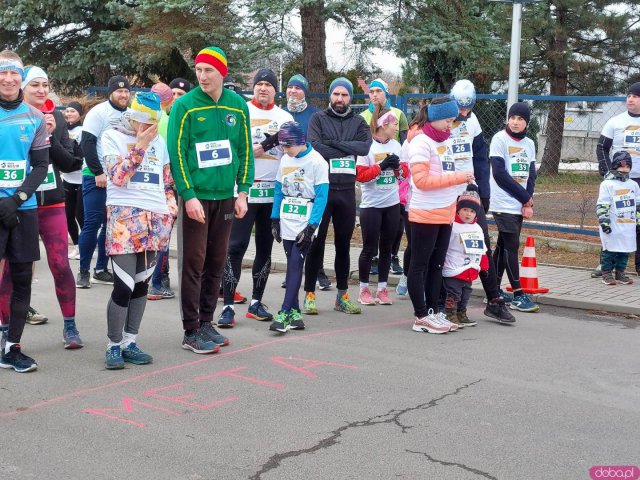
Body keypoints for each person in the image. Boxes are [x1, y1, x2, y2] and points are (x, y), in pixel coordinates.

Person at [167, 46, 253, 354]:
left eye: (209, 71)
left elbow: (244, 151)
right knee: (194, 262)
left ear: (222, 73)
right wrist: (187, 195)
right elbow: (177, 153)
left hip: (226, 198)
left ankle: (206, 322)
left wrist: (243, 191)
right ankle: (190, 330)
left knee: (217, 260)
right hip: (196, 197)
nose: (203, 77)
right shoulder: (185, 106)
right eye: (199, 70)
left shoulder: (237, 106)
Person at [0, 66, 83, 348]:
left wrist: (49, 137)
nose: (41, 90)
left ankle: (70, 326)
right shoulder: (11, 116)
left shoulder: (56, 118)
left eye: (45, 85)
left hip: (51, 203)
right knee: (12, 270)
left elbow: (70, 163)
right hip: (19, 205)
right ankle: (7, 328)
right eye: (35, 84)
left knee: (60, 263)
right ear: (22, 87)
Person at [102, 92, 177, 369]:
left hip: (155, 220)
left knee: (142, 284)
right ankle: (113, 345)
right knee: (123, 285)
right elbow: (118, 177)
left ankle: (130, 341)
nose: (148, 130)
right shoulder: (112, 136)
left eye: (152, 125)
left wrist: (170, 208)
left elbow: (167, 181)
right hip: (125, 218)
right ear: (132, 118)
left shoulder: (161, 140)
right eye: (143, 124)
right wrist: (140, 145)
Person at [219, 68, 293, 328]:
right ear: (254, 87)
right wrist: (259, 147)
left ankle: (256, 303)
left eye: (268, 85)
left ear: (275, 90)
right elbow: (229, 146)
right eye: (259, 84)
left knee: (265, 248)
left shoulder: (284, 117)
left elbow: (293, 152)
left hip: (271, 192)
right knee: (235, 247)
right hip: (243, 191)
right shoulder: (241, 110)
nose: (263, 88)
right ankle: (227, 305)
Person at [303, 77, 372, 315]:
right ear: (330, 96)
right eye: (336, 94)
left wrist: (333, 144)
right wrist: (345, 145)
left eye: (344, 95)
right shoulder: (318, 119)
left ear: (350, 97)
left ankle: (342, 296)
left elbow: (364, 148)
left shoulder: (359, 121)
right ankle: (309, 295)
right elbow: (315, 146)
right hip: (323, 190)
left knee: (343, 245)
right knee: (316, 244)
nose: (340, 99)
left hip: (347, 193)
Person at [0, 51, 49, 372]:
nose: (8, 79)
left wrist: (15, 199)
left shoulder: (34, 117)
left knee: (22, 281)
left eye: (14, 73)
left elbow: (41, 165)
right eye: (2, 73)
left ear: (22, 76)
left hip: (23, 208)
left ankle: (11, 347)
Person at [450, 80, 514, 323]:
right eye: (460, 109)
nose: (463, 114)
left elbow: (479, 158)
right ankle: (434, 296)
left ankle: (494, 299)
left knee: (481, 242)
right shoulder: (439, 120)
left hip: (469, 189)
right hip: (443, 190)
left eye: (468, 109)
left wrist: (483, 192)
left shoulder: (473, 121)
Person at [407, 97, 473, 334]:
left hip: (446, 212)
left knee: (437, 265)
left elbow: (450, 172)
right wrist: (458, 178)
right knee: (419, 265)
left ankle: (435, 311)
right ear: (434, 118)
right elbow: (422, 181)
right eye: (447, 120)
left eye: (453, 120)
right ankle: (421, 315)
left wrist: (463, 183)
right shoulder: (421, 143)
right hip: (425, 213)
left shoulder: (447, 141)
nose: (450, 125)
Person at [269, 122, 328, 332]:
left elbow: (322, 197)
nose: (285, 151)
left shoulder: (317, 162)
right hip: (287, 218)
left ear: (300, 142)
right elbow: (278, 189)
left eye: (288, 146)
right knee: (291, 263)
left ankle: (285, 312)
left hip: (306, 220)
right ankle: (295, 315)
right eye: (283, 146)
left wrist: (312, 227)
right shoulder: (286, 159)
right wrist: (274, 218)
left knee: (295, 264)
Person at [76, 75, 131, 288]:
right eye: (119, 91)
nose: (123, 94)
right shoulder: (98, 113)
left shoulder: (131, 114)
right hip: (95, 176)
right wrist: (98, 172)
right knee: (92, 223)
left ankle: (101, 269)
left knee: (111, 226)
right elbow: (87, 143)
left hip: (119, 178)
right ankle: (83, 271)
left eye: (126, 91)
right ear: (111, 92)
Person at [281, 74, 331, 290]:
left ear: (305, 92)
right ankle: (292, 271)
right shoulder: (281, 115)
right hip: (286, 178)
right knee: (288, 229)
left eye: (298, 88)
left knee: (311, 230)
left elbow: (320, 145)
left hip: (310, 178)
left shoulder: (315, 115)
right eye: (290, 88)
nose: (293, 91)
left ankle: (318, 271)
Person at [489, 102, 539, 313]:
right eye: (513, 118)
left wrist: (527, 199)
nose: (516, 122)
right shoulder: (499, 139)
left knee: (502, 247)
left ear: (526, 122)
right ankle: (518, 293)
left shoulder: (529, 143)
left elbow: (531, 174)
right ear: (507, 119)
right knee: (511, 247)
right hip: (502, 202)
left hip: (518, 202)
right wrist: (525, 198)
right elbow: (500, 175)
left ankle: (493, 291)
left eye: (520, 119)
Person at [361, 78, 409, 276]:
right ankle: (370, 267)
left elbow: (404, 145)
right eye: (370, 91)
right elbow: (362, 172)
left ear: (385, 93)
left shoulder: (398, 114)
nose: (374, 95)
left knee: (394, 232)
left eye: (378, 91)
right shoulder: (363, 116)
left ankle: (391, 261)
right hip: (372, 200)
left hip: (393, 194)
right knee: (371, 242)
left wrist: (399, 168)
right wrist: (381, 166)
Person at [355, 106, 401, 306]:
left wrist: (399, 167)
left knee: (387, 249)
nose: (397, 127)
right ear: (384, 125)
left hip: (392, 204)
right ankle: (364, 288)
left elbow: (403, 175)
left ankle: (382, 288)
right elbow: (361, 176)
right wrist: (381, 166)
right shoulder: (367, 147)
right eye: (394, 124)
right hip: (372, 206)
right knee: (369, 249)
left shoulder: (397, 145)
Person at [595, 81, 640, 277]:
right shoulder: (615, 121)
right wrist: (608, 172)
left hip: (638, 181)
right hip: (619, 181)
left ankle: (637, 266)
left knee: (635, 223)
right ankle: (605, 266)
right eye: (629, 95)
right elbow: (602, 148)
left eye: (635, 96)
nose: (630, 99)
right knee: (612, 221)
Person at [147, 82, 176, 300]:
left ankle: (147, 280)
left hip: (147, 183)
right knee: (162, 236)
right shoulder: (168, 119)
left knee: (148, 235)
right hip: (166, 183)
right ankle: (156, 283)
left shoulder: (144, 120)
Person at [442, 185, 487, 328]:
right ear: (458, 210)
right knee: (454, 293)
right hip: (454, 268)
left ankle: (462, 313)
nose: (468, 214)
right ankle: (450, 313)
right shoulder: (452, 226)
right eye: (465, 210)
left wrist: (483, 265)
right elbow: (444, 246)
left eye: (472, 211)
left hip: (470, 268)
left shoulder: (477, 228)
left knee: (466, 293)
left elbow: (482, 248)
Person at [596, 151, 639, 285]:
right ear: (615, 166)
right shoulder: (607, 184)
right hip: (613, 224)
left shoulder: (633, 185)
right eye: (621, 166)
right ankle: (606, 273)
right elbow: (603, 203)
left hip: (628, 225)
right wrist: (604, 220)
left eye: (627, 167)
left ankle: (620, 272)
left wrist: (638, 220)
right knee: (609, 249)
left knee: (625, 249)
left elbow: (637, 204)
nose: (624, 169)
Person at [63, 100, 86, 260]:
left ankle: (86, 246)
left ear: (79, 114)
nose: (69, 113)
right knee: (68, 215)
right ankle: (77, 246)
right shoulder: (62, 130)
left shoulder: (83, 130)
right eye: (67, 111)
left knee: (81, 215)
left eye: (73, 111)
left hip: (82, 179)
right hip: (67, 179)